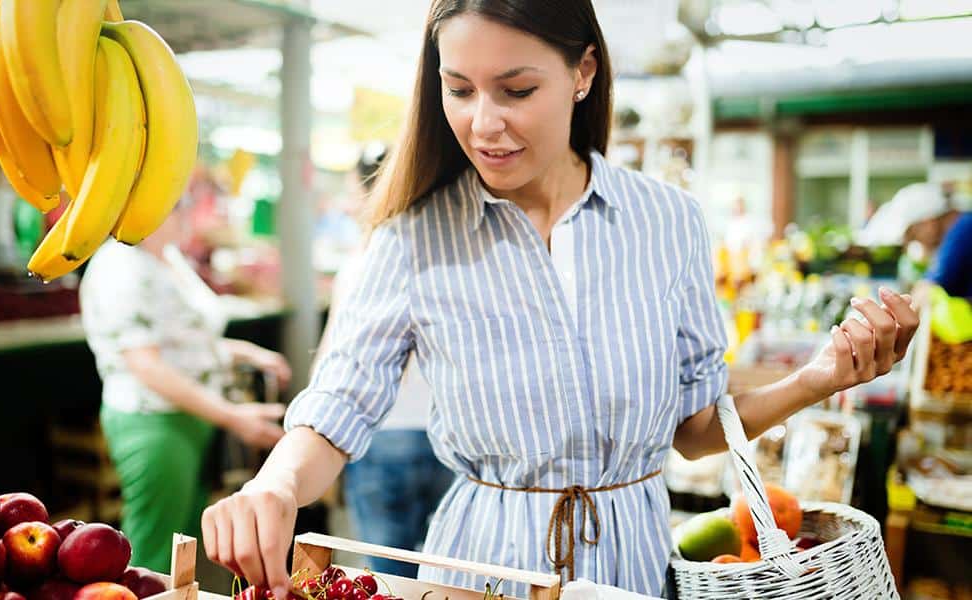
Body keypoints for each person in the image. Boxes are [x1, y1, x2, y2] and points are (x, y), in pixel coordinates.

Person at [201, 2, 920, 597]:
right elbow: (338, 410)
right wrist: (275, 485)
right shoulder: (416, 236)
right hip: (482, 570)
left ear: (583, 72)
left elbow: (695, 425)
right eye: (459, 90)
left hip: (632, 567)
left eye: (516, 91)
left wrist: (819, 378)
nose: (483, 122)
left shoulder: (666, 222)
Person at [79, 198, 291, 573]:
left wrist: (247, 353)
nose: (185, 213)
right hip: (153, 421)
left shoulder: (169, 259)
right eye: (176, 204)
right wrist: (234, 417)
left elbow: (186, 342)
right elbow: (147, 365)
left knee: (184, 543)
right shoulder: (120, 266)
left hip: (192, 417)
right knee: (153, 549)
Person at [319, 144, 452, 577]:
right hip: (446, 435)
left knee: (386, 574)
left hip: (380, 435)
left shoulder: (367, 261)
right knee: (447, 574)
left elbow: (331, 362)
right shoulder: (449, 250)